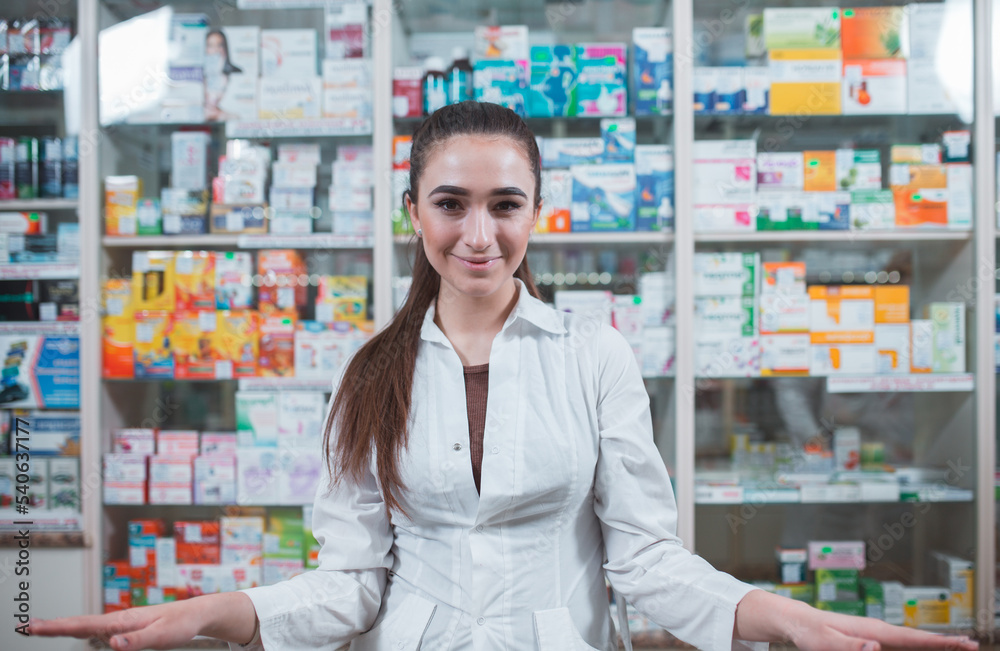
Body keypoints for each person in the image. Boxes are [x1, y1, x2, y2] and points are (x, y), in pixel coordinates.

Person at [29, 102, 978, 651]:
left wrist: (781, 618)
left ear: (537, 213)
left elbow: (644, 558)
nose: (478, 235)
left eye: (504, 204)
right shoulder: (368, 368)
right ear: (414, 213)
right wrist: (221, 611)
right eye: (451, 204)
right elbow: (353, 580)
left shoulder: (592, 350)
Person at [204, 29, 243, 122]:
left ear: (225, 47)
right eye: (210, 45)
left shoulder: (236, 73)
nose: (216, 50)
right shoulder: (199, 75)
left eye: (220, 45)